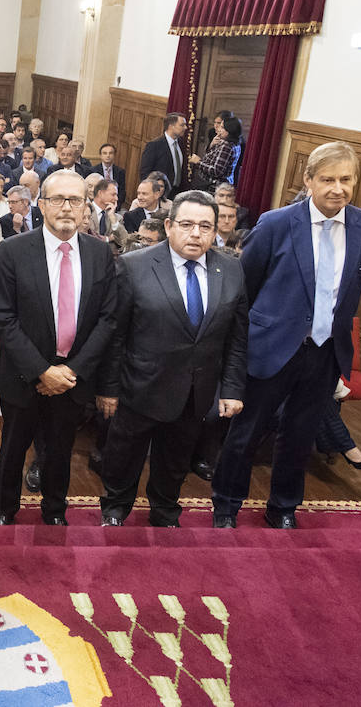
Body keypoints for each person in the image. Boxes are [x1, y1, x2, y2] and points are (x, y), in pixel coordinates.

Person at [212, 141, 361, 529]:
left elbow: (356, 282)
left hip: (325, 351)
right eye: (327, 179)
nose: (337, 188)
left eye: (346, 179)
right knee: (247, 433)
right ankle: (226, 505)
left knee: (300, 435)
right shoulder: (276, 223)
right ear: (308, 180)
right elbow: (246, 289)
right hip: (272, 347)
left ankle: (283, 508)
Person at [96, 191, 248, 527]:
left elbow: (237, 337)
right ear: (169, 225)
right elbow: (115, 334)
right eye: (188, 224)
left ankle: (165, 510)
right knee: (124, 456)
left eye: (205, 226)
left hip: (196, 390)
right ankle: (115, 509)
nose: (196, 233)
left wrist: (233, 388)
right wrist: (108, 388)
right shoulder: (134, 266)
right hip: (140, 387)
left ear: (215, 231)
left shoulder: (232, 270)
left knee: (176, 459)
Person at [0, 169, 118, 526]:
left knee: (61, 449)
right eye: (58, 199)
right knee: (13, 448)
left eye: (75, 200)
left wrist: (70, 372)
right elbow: (4, 318)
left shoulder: (99, 252)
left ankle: (55, 511)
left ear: (84, 208)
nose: (66, 207)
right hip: (24, 373)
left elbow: (107, 319)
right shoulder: (13, 250)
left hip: (74, 376)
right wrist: (43, 371)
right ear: (41, 205)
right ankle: (5, 509)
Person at [139, 112, 191, 195]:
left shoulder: (181, 143)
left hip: (177, 192)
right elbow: (145, 173)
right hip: (159, 193)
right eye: (182, 125)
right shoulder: (154, 145)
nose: (185, 128)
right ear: (171, 126)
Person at [189, 115, 241, 192]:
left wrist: (198, 162)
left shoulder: (227, 146)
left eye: (222, 127)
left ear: (229, 130)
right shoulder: (231, 143)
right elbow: (211, 158)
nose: (219, 129)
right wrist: (212, 145)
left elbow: (216, 171)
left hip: (214, 188)